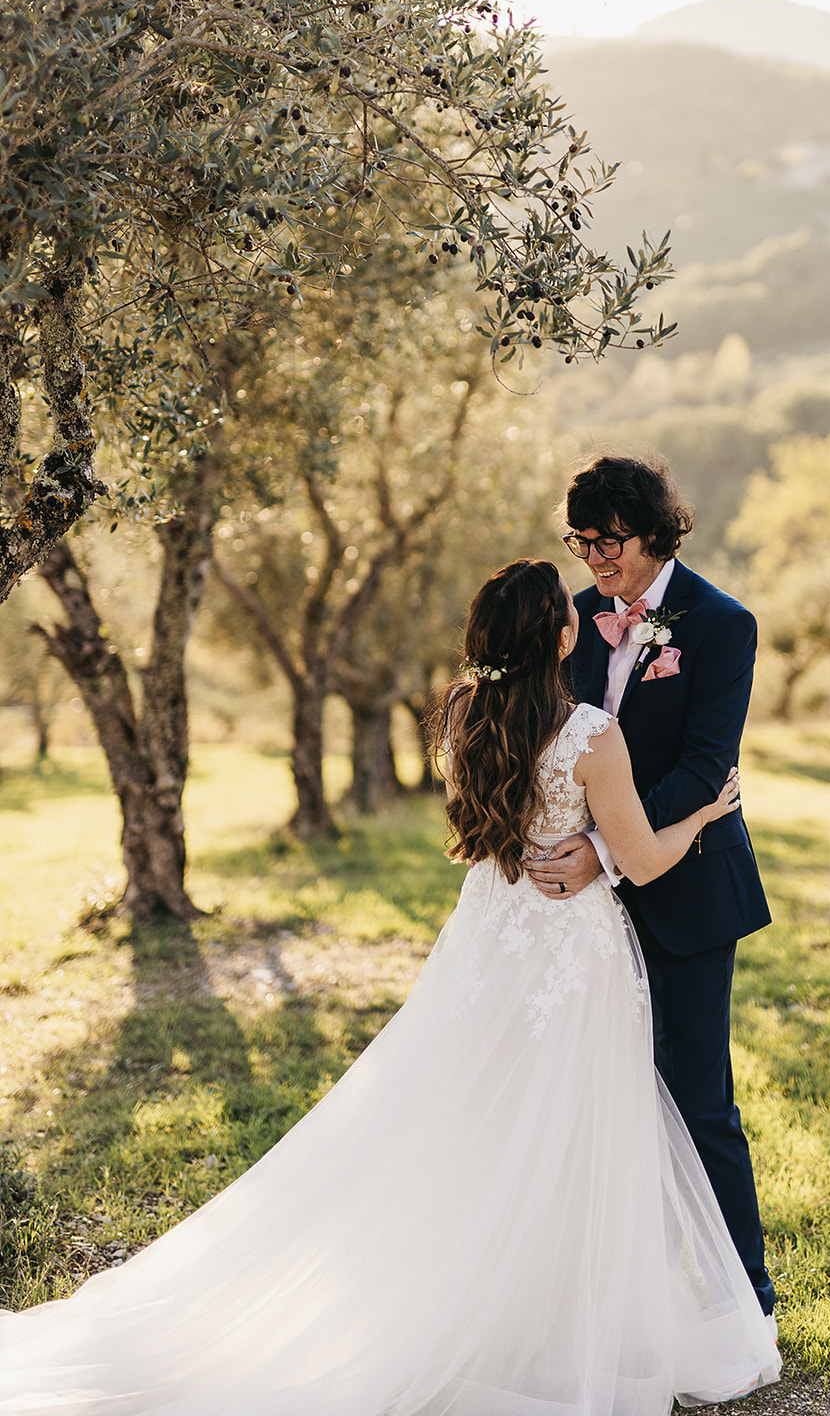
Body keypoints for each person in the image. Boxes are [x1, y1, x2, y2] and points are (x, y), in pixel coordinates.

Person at [0, 558, 780, 1415]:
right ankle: (549, 1321)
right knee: (571, 1127)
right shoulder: (592, 735)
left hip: (487, 946)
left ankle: (486, 1306)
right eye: (571, 609)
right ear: (562, 638)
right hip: (568, 955)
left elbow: (495, 828)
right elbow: (637, 859)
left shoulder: (461, 715)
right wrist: (704, 811)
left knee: (477, 1124)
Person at [525, 456, 777, 1322]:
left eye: (609, 541)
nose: (594, 558)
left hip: (692, 891)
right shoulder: (578, 617)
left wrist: (602, 845)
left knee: (698, 1097)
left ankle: (744, 1299)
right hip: (582, 918)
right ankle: (618, 1300)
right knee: (598, 1098)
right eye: (579, 541)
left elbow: (708, 767)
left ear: (656, 532)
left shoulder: (719, 623)